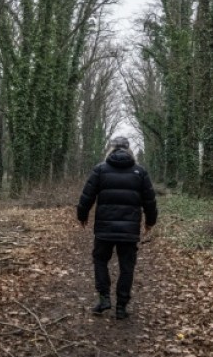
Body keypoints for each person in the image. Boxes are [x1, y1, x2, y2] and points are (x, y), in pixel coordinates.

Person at [76, 136, 157, 320]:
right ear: (129, 150)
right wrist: (150, 221)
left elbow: (87, 195)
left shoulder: (100, 169)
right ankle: (121, 306)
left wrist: (82, 215)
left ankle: (104, 298)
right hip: (129, 231)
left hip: (104, 229)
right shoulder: (140, 172)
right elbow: (150, 201)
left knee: (100, 260)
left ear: (110, 149)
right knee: (127, 267)